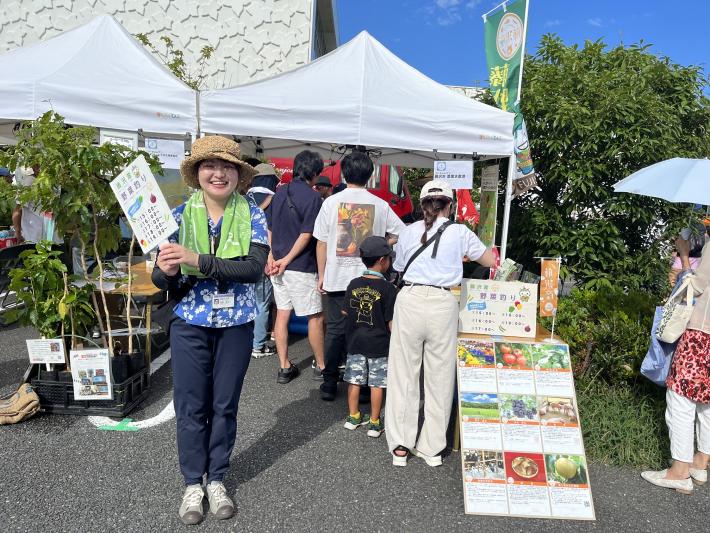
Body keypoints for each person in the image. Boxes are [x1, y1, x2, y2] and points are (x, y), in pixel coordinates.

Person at [151, 136, 268, 525]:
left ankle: (216, 479)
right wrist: (167, 270)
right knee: (190, 405)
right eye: (209, 166)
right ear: (197, 173)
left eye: (227, 167)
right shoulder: (179, 216)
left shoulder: (253, 214)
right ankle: (191, 485)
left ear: (238, 174)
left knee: (224, 405)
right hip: (189, 323)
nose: (218, 173)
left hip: (236, 323)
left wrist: (196, 259)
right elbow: (161, 276)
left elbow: (253, 268)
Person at [385, 180, 496, 467]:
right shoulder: (461, 232)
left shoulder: (408, 232)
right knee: (439, 377)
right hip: (443, 304)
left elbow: (398, 268)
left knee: (404, 374)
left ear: (422, 205)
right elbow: (488, 259)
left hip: (409, 299)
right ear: (450, 204)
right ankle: (432, 448)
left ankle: (401, 445)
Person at [313, 149, 406, 401]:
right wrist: (383, 244)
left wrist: (321, 275)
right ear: (370, 174)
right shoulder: (380, 204)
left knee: (335, 330)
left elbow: (321, 242)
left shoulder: (330, 202)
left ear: (344, 172)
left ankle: (330, 382)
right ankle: (365, 387)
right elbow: (402, 232)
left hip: (337, 278)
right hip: (371, 278)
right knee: (368, 329)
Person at [642, 233, 710, 494]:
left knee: (680, 397)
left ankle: (680, 471)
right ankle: (700, 463)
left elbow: (698, 284)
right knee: (706, 399)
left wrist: (683, 254)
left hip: (701, 332)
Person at [266, 150, 325, 383]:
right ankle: (321, 366)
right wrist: (287, 259)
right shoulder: (313, 198)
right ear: (314, 173)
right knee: (315, 317)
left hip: (277, 266)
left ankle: (284, 367)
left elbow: (269, 228)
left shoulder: (279, 193)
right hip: (299, 266)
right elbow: (307, 233)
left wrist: (273, 256)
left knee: (282, 314)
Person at [341, 236, 397, 438]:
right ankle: (374, 422)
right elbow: (391, 321)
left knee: (354, 380)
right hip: (379, 344)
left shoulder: (353, 284)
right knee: (376, 383)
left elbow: (345, 312)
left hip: (355, 341)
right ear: (383, 261)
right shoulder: (389, 289)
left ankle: (353, 416)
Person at [248, 163, 280, 358]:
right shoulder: (274, 200)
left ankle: (245, 340)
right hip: (262, 258)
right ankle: (258, 345)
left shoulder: (242, 199)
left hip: (240, 260)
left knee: (246, 300)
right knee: (261, 303)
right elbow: (272, 232)